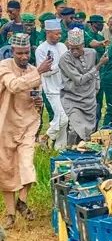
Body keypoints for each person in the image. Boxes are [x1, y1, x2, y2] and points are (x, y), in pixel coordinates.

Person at [0, 33, 54, 228]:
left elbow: (33, 94)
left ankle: (22, 201)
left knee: (26, 164)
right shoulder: (4, 66)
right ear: (13, 51)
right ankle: (10, 214)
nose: (24, 57)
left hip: (28, 124)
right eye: (20, 53)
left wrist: (37, 101)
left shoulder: (32, 70)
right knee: (6, 170)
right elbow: (14, 86)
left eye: (27, 52)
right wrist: (38, 71)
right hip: (5, 125)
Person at [60, 28, 107, 145]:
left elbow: (96, 76)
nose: (74, 51)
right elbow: (79, 80)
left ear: (83, 45)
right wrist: (99, 65)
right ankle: (69, 151)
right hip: (72, 99)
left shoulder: (92, 53)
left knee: (88, 132)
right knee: (74, 129)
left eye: (78, 48)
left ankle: (83, 155)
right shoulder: (65, 59)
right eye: (72, 48)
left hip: (89, 100)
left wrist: (96, 87)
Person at [35, 20, 69, 149]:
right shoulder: (41, 50)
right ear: (48, 33)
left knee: (65, 121)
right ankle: (46, 137)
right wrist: (59, 65)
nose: (59, 36)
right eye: (56, 34)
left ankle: (60, 148)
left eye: (60, 34)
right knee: (63, 118)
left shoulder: (62, 47)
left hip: (64, 88)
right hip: (51, 89)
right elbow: (44, 73)